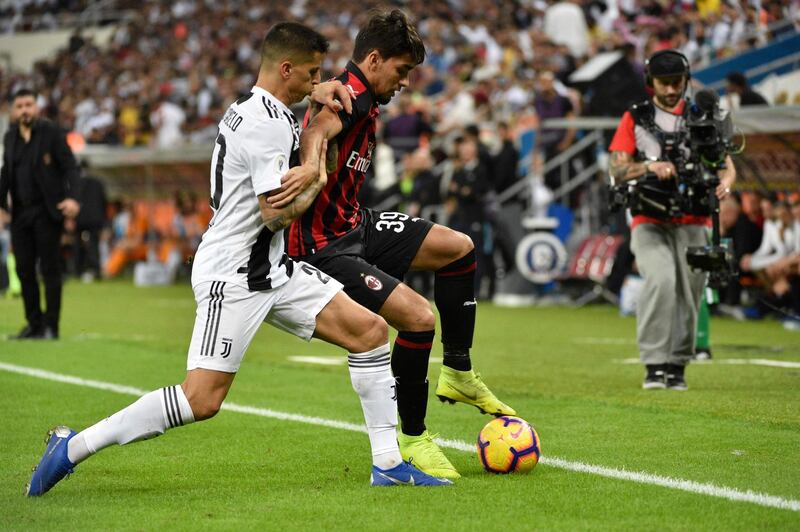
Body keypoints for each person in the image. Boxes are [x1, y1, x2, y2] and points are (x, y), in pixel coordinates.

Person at [26, 21, 450, 498]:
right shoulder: (266, 123)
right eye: (311, 74)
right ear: (284, 69)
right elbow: (274, 212)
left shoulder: (258, 109)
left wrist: (317, 121)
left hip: (273, 269)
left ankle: (388, 463)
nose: (318, 82)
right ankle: (71, 448)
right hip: (234, 274)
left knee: (370, 332)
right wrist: (314, 175)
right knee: (202, 399)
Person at [270, 10, 515, 480]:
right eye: (402, 71)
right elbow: (320, 126)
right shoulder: (353, 93)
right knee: (419, 317)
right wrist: (311, 161)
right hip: (323, 247)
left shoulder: (365, 93)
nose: (405, 82)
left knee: (458, 247)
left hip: (354, 224)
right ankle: (414, 436)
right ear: (375, 59)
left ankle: (459, 371)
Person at [608, 49, 736, 390]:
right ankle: (654, 363)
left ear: (686, 79)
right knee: (662, 280)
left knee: (691, 292)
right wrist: (650, 166)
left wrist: (725, 183)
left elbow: (726, 164)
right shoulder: (635, 118)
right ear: (651, 81)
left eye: (676, 82)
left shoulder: (704, 114)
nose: (670, 90)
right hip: (649, 217)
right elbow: (617, 169)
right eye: (663, 83)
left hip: (695, 218)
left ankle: (677, 364)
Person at [0, 88, 81, 340]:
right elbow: (6, 173)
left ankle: (51, 327)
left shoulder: (51, 132)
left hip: (47, 211)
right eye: (20, 106)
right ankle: (33, 324)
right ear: (14, 110)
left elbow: (70, 167)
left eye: (29, 104)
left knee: (50, 269)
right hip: (20, 213)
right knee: (24, 269)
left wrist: (73, 198)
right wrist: (1, 206)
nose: (25, 110)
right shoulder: (10, 136)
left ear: (36, 106)